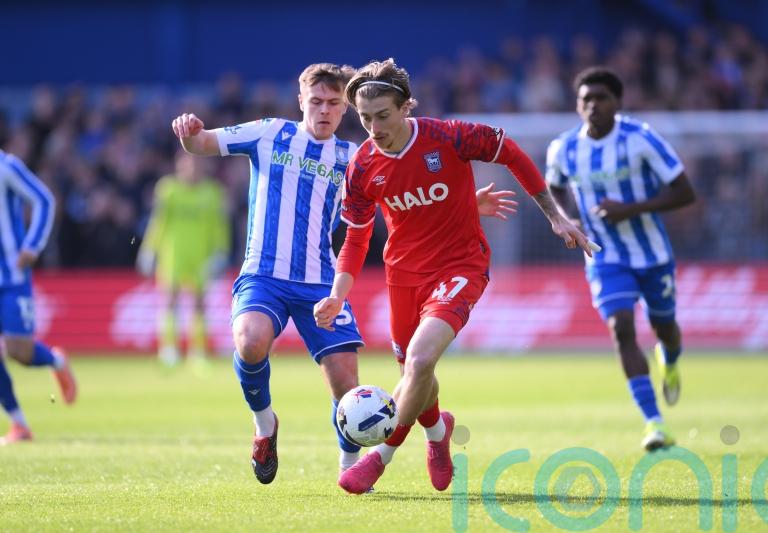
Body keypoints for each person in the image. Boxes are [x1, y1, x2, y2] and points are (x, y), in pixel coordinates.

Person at [171, 63, 518, 485]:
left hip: (322, 279)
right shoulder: (268, 133)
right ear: (301, 101)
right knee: (250, 341)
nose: (324, 110)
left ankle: (349, 465)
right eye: (316, 101)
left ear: (345, 108)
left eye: (334, 103)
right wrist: (189, 133)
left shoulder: (356, 157)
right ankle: (265, 427)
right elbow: (202, 144)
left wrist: (462, 205)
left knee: (345, 383)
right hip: (264, 273)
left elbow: (401, 202)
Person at [313, 58, 593, 494]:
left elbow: (511, 152)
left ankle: (378, 458)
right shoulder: (363, 166)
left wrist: (555, 215)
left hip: (461, 266)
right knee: (415, 374)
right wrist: (337, 293)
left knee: (420, 361)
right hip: (403, 275)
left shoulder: (448, 137)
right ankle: (438, 433)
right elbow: (356, 238)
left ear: (405, 107)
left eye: (383, 116)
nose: (374, 128)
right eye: (365, 118)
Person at [545, 66, 696, 451]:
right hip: (603, 254)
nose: (593, 105)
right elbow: (553, 186)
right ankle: (654, 423)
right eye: (586, 99)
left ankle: (670, 359)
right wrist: (567, 217)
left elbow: (684, 192)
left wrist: (631, 208)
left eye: (601, 98)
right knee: (621, 328)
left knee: (665, 327)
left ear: (617, 102)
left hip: (652, 254)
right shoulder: (564, 148)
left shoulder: (641, 139)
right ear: (577, 105)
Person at [0, 149, 77, 445]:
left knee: (19, 352)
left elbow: (44, 200)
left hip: (12, 278)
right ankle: (19, 424)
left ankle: (56, 361)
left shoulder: (6, 167)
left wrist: (32, 245)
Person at [137, 151, 230, 366]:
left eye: (197, 163)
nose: (193, 168)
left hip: (201, 256)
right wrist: (149, 249)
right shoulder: (167, 189)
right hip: (172, 254)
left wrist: (221, 251)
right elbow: (158, 221)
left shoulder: (213, 192)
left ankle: (198, 351)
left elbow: (220, 226)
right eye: (188, 163)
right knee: (170, 301)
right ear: (179, 165)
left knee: (199, 304)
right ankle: (169, 350)